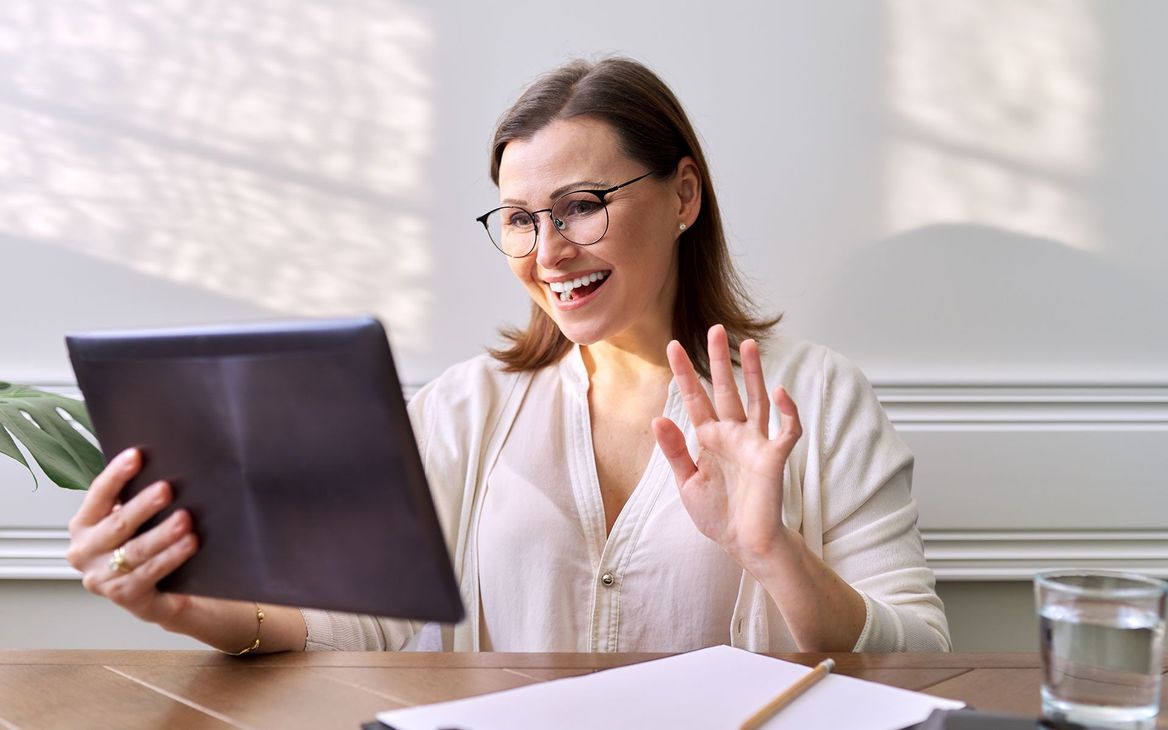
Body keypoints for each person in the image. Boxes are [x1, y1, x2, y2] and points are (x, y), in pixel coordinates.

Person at [65, 57, 951, 654]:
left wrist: (770, 551)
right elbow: (359, 619)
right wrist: (182, 607)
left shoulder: (817, 398)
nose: (548, 252)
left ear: (683, 195)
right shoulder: (467, 409)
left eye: (582, 204)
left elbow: (921, 649)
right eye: (522, 219)